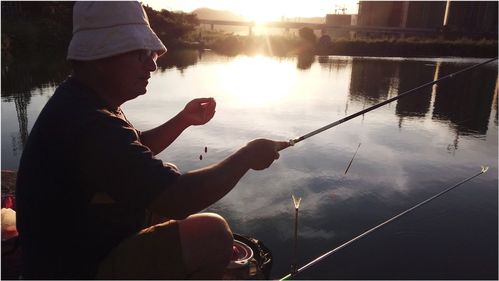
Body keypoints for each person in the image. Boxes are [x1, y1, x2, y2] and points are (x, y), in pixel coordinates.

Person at [15, 1, 289, 279]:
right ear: (99, 57)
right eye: (141, 53)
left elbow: (130, 149)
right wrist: (246, 157)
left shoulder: (83, 101)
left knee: (159, 189)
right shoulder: (86, 120)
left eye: (153, 53)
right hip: (74, 269)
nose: (153, 64)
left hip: (76, 248)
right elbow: (178, 198)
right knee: (212, 234)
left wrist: (183, 119)